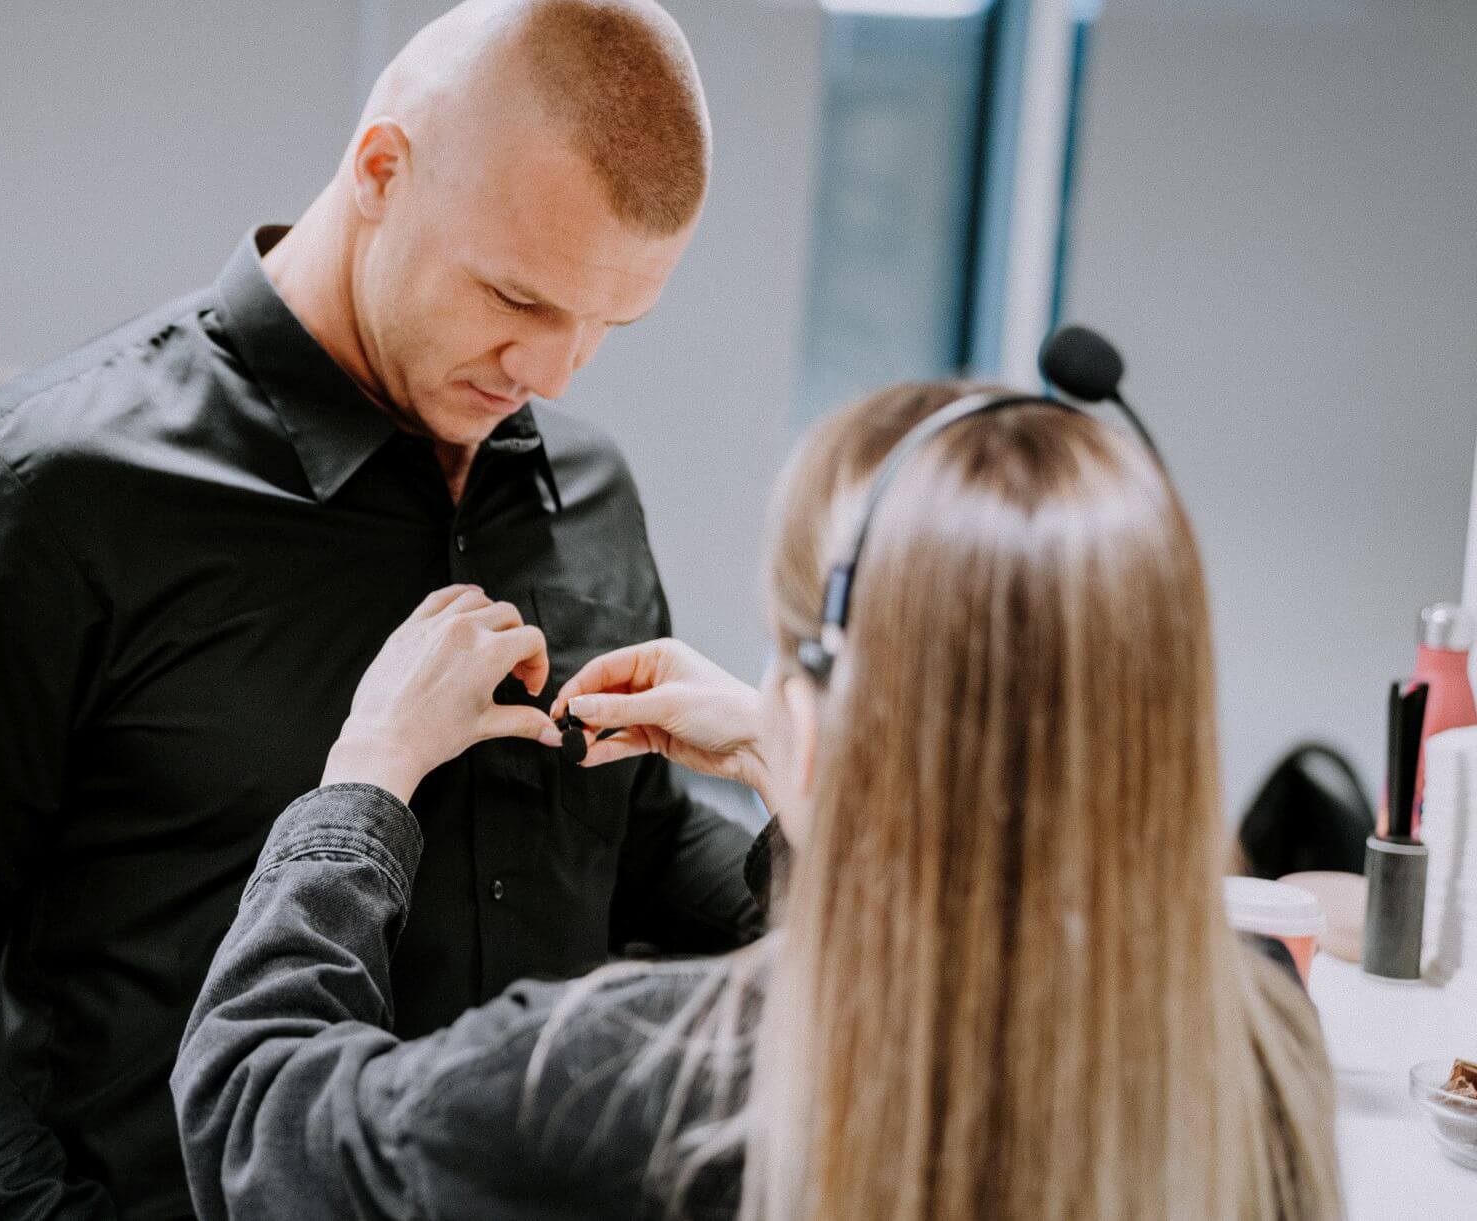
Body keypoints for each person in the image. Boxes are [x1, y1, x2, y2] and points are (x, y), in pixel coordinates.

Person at [0, 0, 763, 1217]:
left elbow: (632, 845)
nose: (550, 370)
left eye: (607, 323)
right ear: (380, 172)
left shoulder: (583, 486)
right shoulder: (39, 491)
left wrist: (826, 821)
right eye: (516, 297)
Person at [174, 381, 1342, 1220]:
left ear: (817, 705)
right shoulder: (1254, 1033)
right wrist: (806, 779)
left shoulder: (643, 1074)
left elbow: (254, 1120)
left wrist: (366, 776)